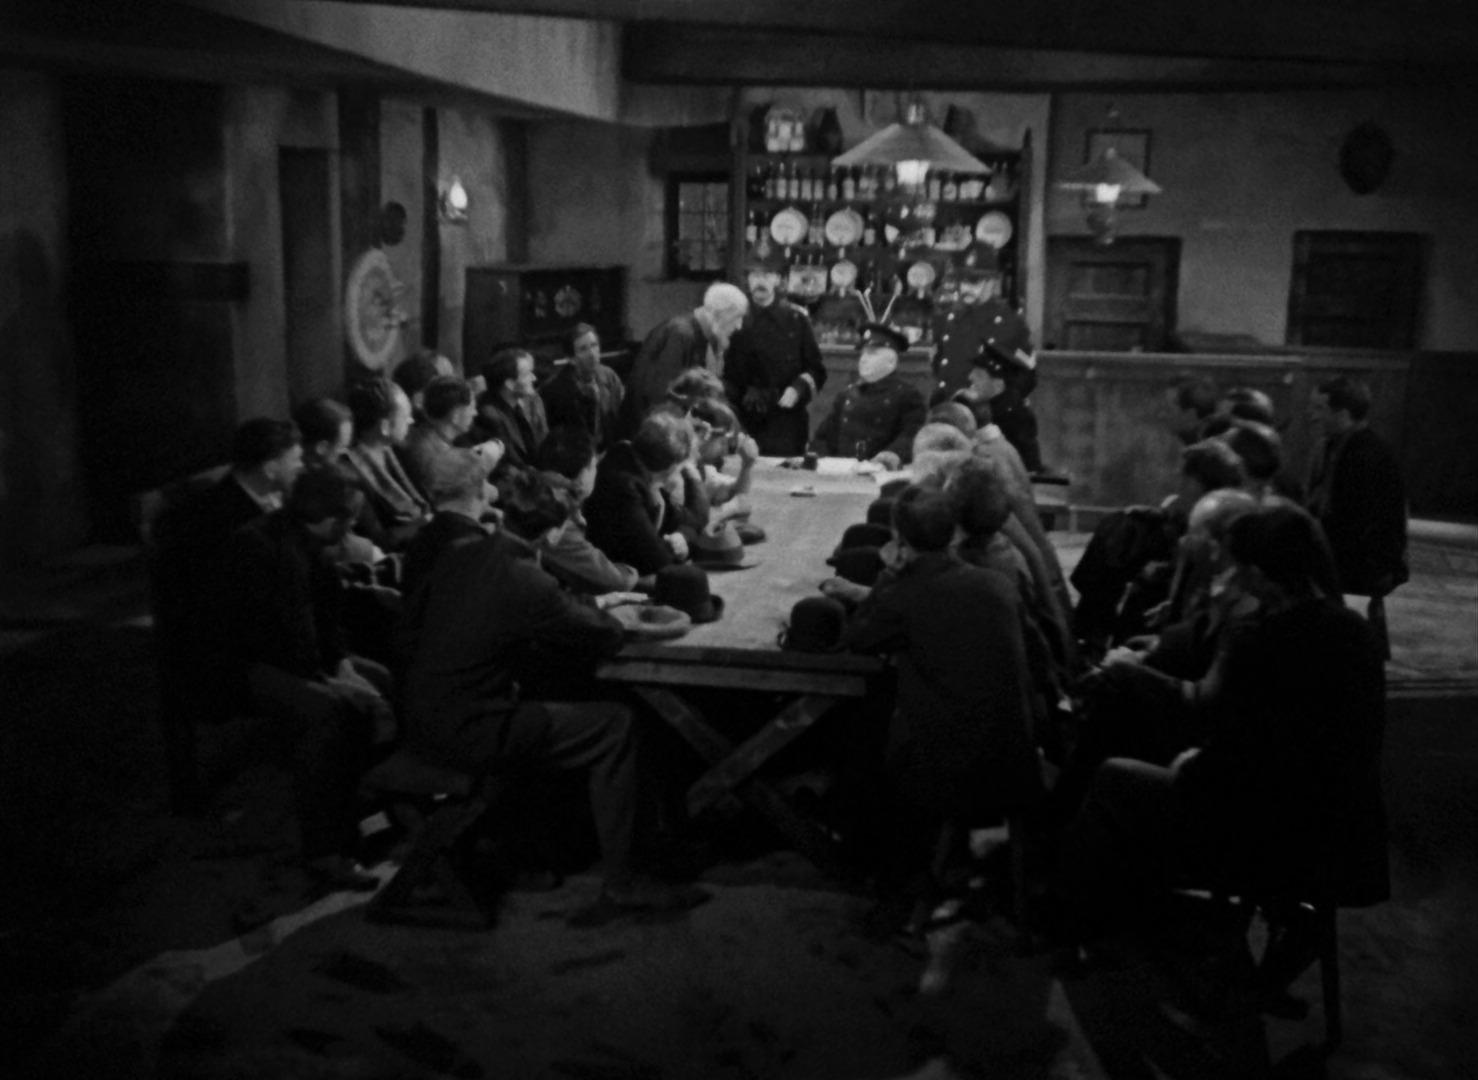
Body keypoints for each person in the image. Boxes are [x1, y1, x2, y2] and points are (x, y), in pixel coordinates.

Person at [1055, 505, 1388, 981]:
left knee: (1113, 777)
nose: (1232, 577)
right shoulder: (1354, 631)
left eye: (1238, 568)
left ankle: (1074, 923)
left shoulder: (1266, 640)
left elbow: (1239, 760)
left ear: (1262, 575)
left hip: (1269, 834)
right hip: (1343, 834)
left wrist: (1190, 763)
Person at [396, 468, 704, 912]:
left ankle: (535, 847)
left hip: (418, 714)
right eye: (574, 520)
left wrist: (584, 605)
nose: (579, 525)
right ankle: (624, 881)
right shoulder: (526, 580)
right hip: (469, 730)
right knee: (615, 724)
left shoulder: (461, 553)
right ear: (556, 533)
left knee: (558, 698)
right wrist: (608, 614)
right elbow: (601, 635)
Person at [844, 485, 1041, 924]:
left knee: (863, 735)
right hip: (1015, 760)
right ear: (953, 534)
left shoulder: (906, 593)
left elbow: (858, 638)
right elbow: (1037, 658)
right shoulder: (996, 583)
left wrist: (889, 576)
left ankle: (877, 872)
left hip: (947, 773)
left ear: (900, 540)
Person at [221, 467, 395, 890]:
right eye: (350, 519)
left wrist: (343, 664)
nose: (353, 528)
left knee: (382, 681)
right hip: (250, 667)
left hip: (299, 658)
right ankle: (325, 851)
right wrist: (329, 680)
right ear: (331, 519)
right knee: (328, 715)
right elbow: (268, 637)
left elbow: (326, 616)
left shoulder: (313, 544)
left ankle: (371, 814)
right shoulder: (259, 547)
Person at [1305, 374, 1408, 655]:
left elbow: (1361, 526)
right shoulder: (1334, 445)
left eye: (1319, 408)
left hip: (1364, 563)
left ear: (1343, 414)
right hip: (1345, 552)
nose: (1311, 415)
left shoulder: (1368, 455)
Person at [930, 263, 1043, 473]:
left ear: (992, 282)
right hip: (951, 413)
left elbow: (1027, 374)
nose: (965, 288)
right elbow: (940, 362)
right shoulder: (949, 319)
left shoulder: (1008, 321)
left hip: (995, 419)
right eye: (962, 281)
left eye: (973, 282)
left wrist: (1000, 401)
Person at [724, 252, 826, 455]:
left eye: (767, 275)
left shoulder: (796, 320)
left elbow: (816, 369)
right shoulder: (734, 318)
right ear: (748, 280)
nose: (760, 281)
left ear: (778, 279)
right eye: (754, 275)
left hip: (785, 420)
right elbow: (723, 371)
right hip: (743, 419)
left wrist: (798, 389)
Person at [620, 282, 749, 435]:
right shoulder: (681, 334)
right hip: (651, 434)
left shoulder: (696, 335)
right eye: (737, 317)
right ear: (718, 313)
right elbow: (662, 396)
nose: (739, 326)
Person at [584, 409, 697, 576]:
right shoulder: (623, 487)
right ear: (671, 467)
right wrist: (677, 549)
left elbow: (692, 521)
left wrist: (682, 536)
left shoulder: (631, 460)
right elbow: (657, 560)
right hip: (615, 575)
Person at [534, 424, 641, 596]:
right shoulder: (556, 521)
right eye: (594, 466)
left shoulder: (539, 493)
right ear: (583, 477)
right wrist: (632, 572)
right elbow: (616, 581)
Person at [809, 323, 926, 469]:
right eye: (863, 354)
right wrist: (820, 460)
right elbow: (825, 436)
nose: (864, 360)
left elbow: (911, 435)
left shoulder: (907, 396)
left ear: (891, 362)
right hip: (842, 470)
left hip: (881, 472)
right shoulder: (846, 395)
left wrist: (891, 456)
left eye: (872, 354)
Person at [341, 379, 432, 550]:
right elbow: (375, 538)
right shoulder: (349, 471)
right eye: (406, 416)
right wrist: (418, 526)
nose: (411, 421)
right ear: (385, 426)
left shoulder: (400, 451)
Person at [398, 375, 503, 500]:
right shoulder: (434, 456)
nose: (475, 413)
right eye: (471, 408)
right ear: (456, 416)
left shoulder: (426, 437)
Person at [539, 323, 625, 452]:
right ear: (571, 359)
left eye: (594, 345)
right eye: (583, 349)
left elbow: (623, 416)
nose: (592, 354)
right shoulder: (553, 391)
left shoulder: (609, 377)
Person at [468, 347, 549, 470]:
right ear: (510, 384)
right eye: (527, 374)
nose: (534, 378)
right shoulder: (490, 416)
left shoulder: (526, 402)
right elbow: (514, 463)